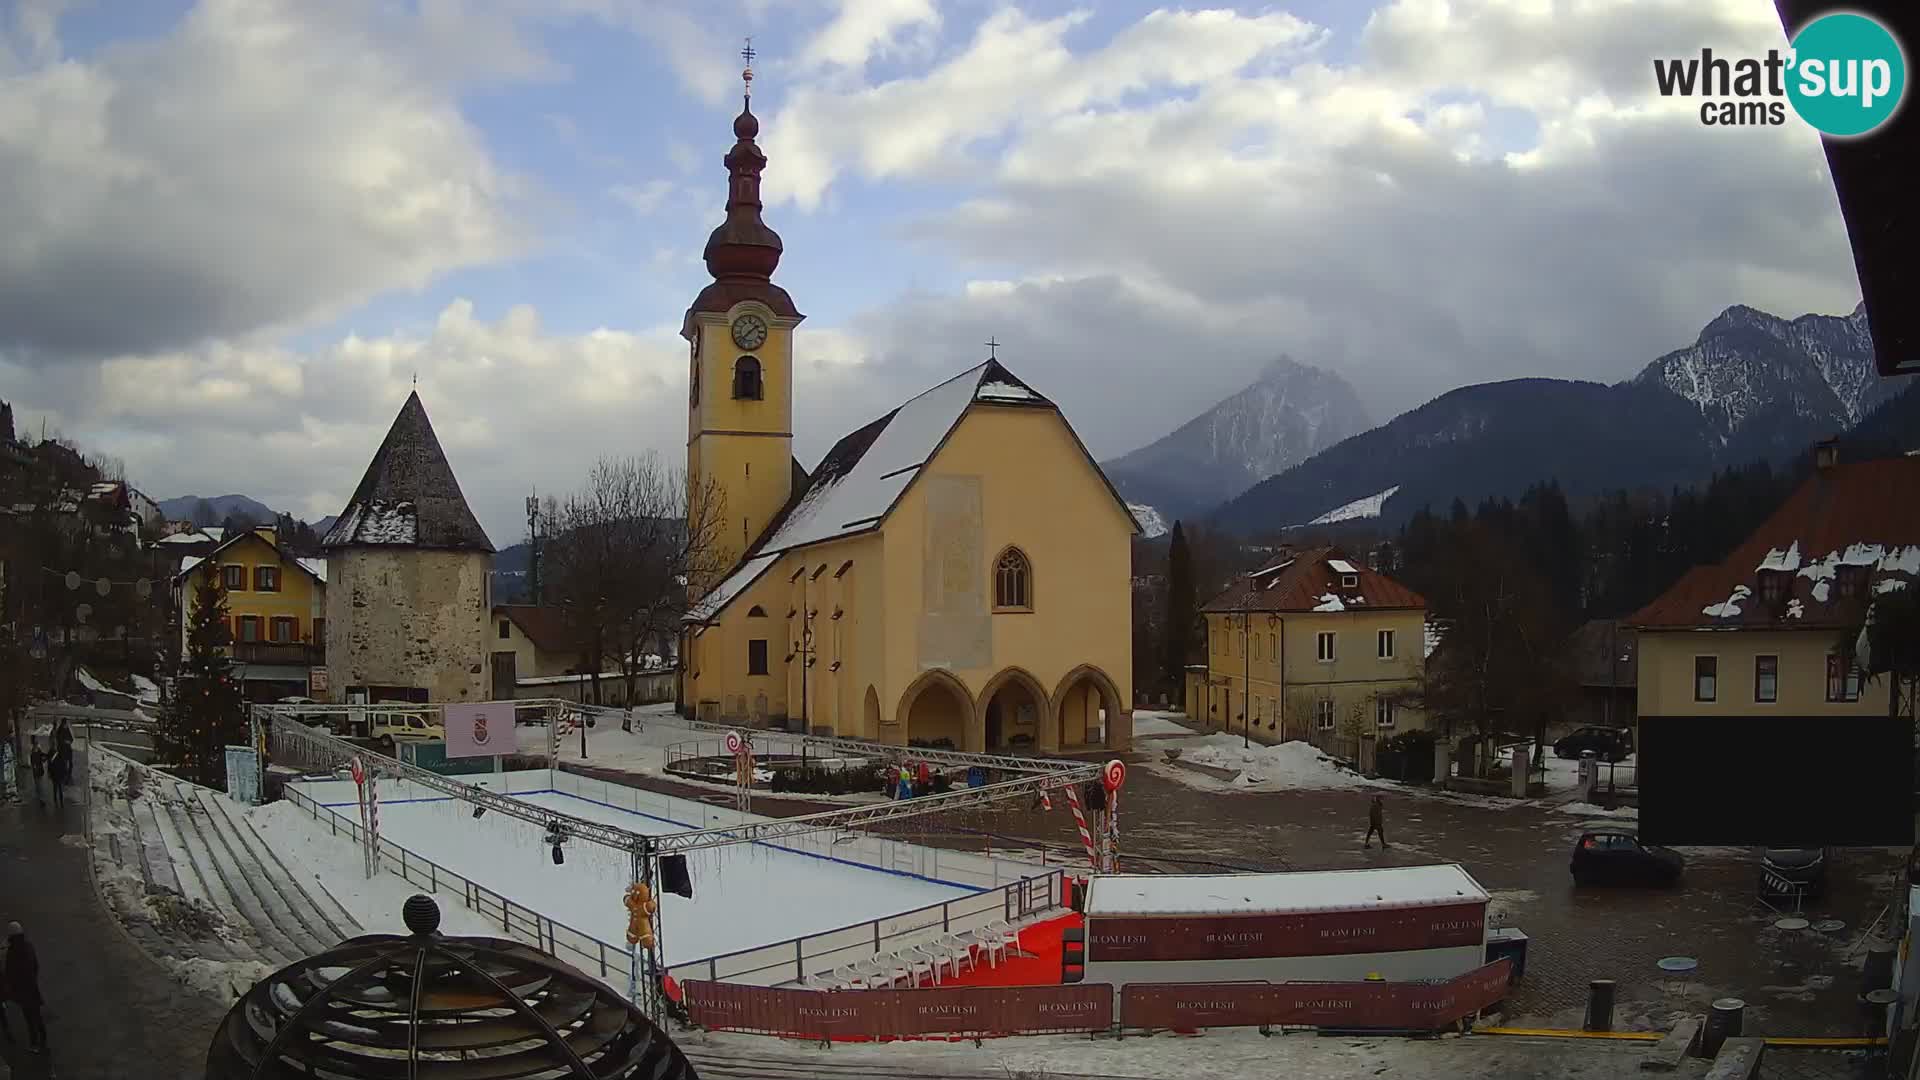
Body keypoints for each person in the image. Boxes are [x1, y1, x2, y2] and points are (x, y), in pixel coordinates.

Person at [4, 921, 46, 1054]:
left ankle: (34, 1043)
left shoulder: (12, 952)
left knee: (29, 1018)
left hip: (22, 991)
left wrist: (12, 988)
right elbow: (35, 965)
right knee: (37, 1015)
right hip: (32, 987)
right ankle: (43, 1039)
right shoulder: (28, 946)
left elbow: (9, 972)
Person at [29, 740, 46, 808]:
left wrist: (45, 759)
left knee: (40, 786)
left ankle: (41, 799)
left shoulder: (39, 752)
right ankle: (40, 798)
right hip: (36, 772)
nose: (38, 747)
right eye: (37, 746)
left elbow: (44, 757)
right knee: (38, 786)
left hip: (39, 772)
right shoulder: (33, 754)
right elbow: (33, 763)